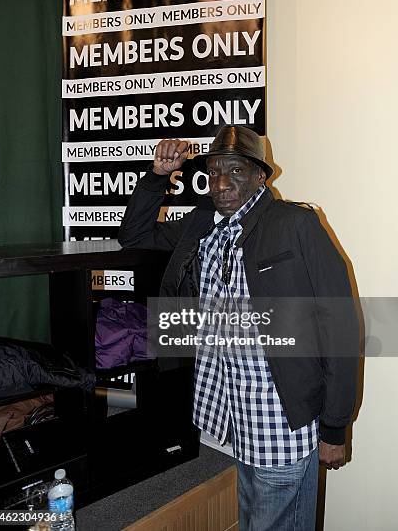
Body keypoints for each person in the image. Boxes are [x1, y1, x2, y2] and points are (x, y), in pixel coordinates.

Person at [118, 126, 358, 531]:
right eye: (214, 172)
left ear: (261, 175)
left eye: (236, 171)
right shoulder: (201, 224)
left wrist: (335, 426)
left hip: (282, 421)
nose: (222, 183)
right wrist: (157, 176)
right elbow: (134, 236)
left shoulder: (296, 225)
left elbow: (341, 328)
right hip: (232, 416)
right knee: (251, 519)